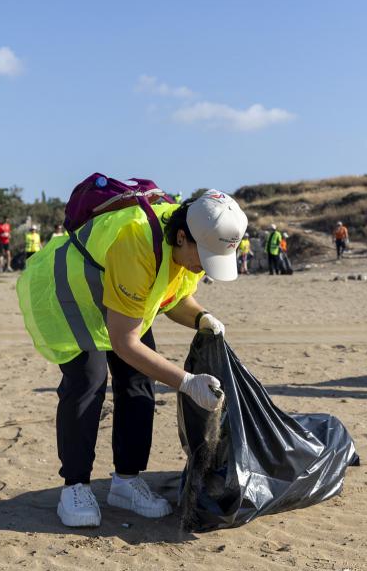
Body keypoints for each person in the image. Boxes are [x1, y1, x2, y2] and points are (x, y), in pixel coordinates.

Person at [16, 191, 246, 528]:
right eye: (205, 258)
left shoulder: (189, 246)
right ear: (182, 236)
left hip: (121, 297)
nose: (204, 268)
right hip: (76, 293)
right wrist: (186, 382)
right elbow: (125, 343)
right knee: (88, 381)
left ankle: (126, 480)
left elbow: (173, 296)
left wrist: (202, 318)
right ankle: (75, 486)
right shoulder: (138, 243)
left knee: (138, 381)